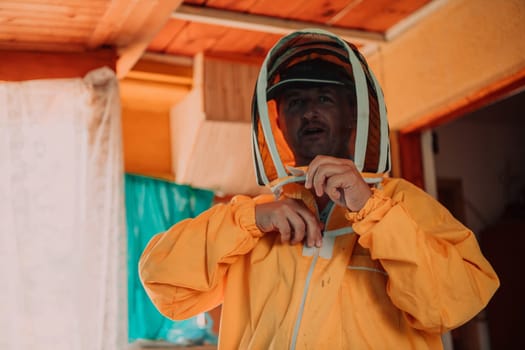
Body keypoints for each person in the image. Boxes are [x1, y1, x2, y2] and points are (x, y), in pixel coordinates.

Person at [139, 29, 499, 349]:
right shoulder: (254, 221)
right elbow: (164, 284)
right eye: (296, 102)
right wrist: (250, 218)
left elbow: (455, 304)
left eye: (325, 99)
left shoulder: (401, 202)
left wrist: (372, 210)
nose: (310, 112)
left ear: (352, 114)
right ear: (277, 121)